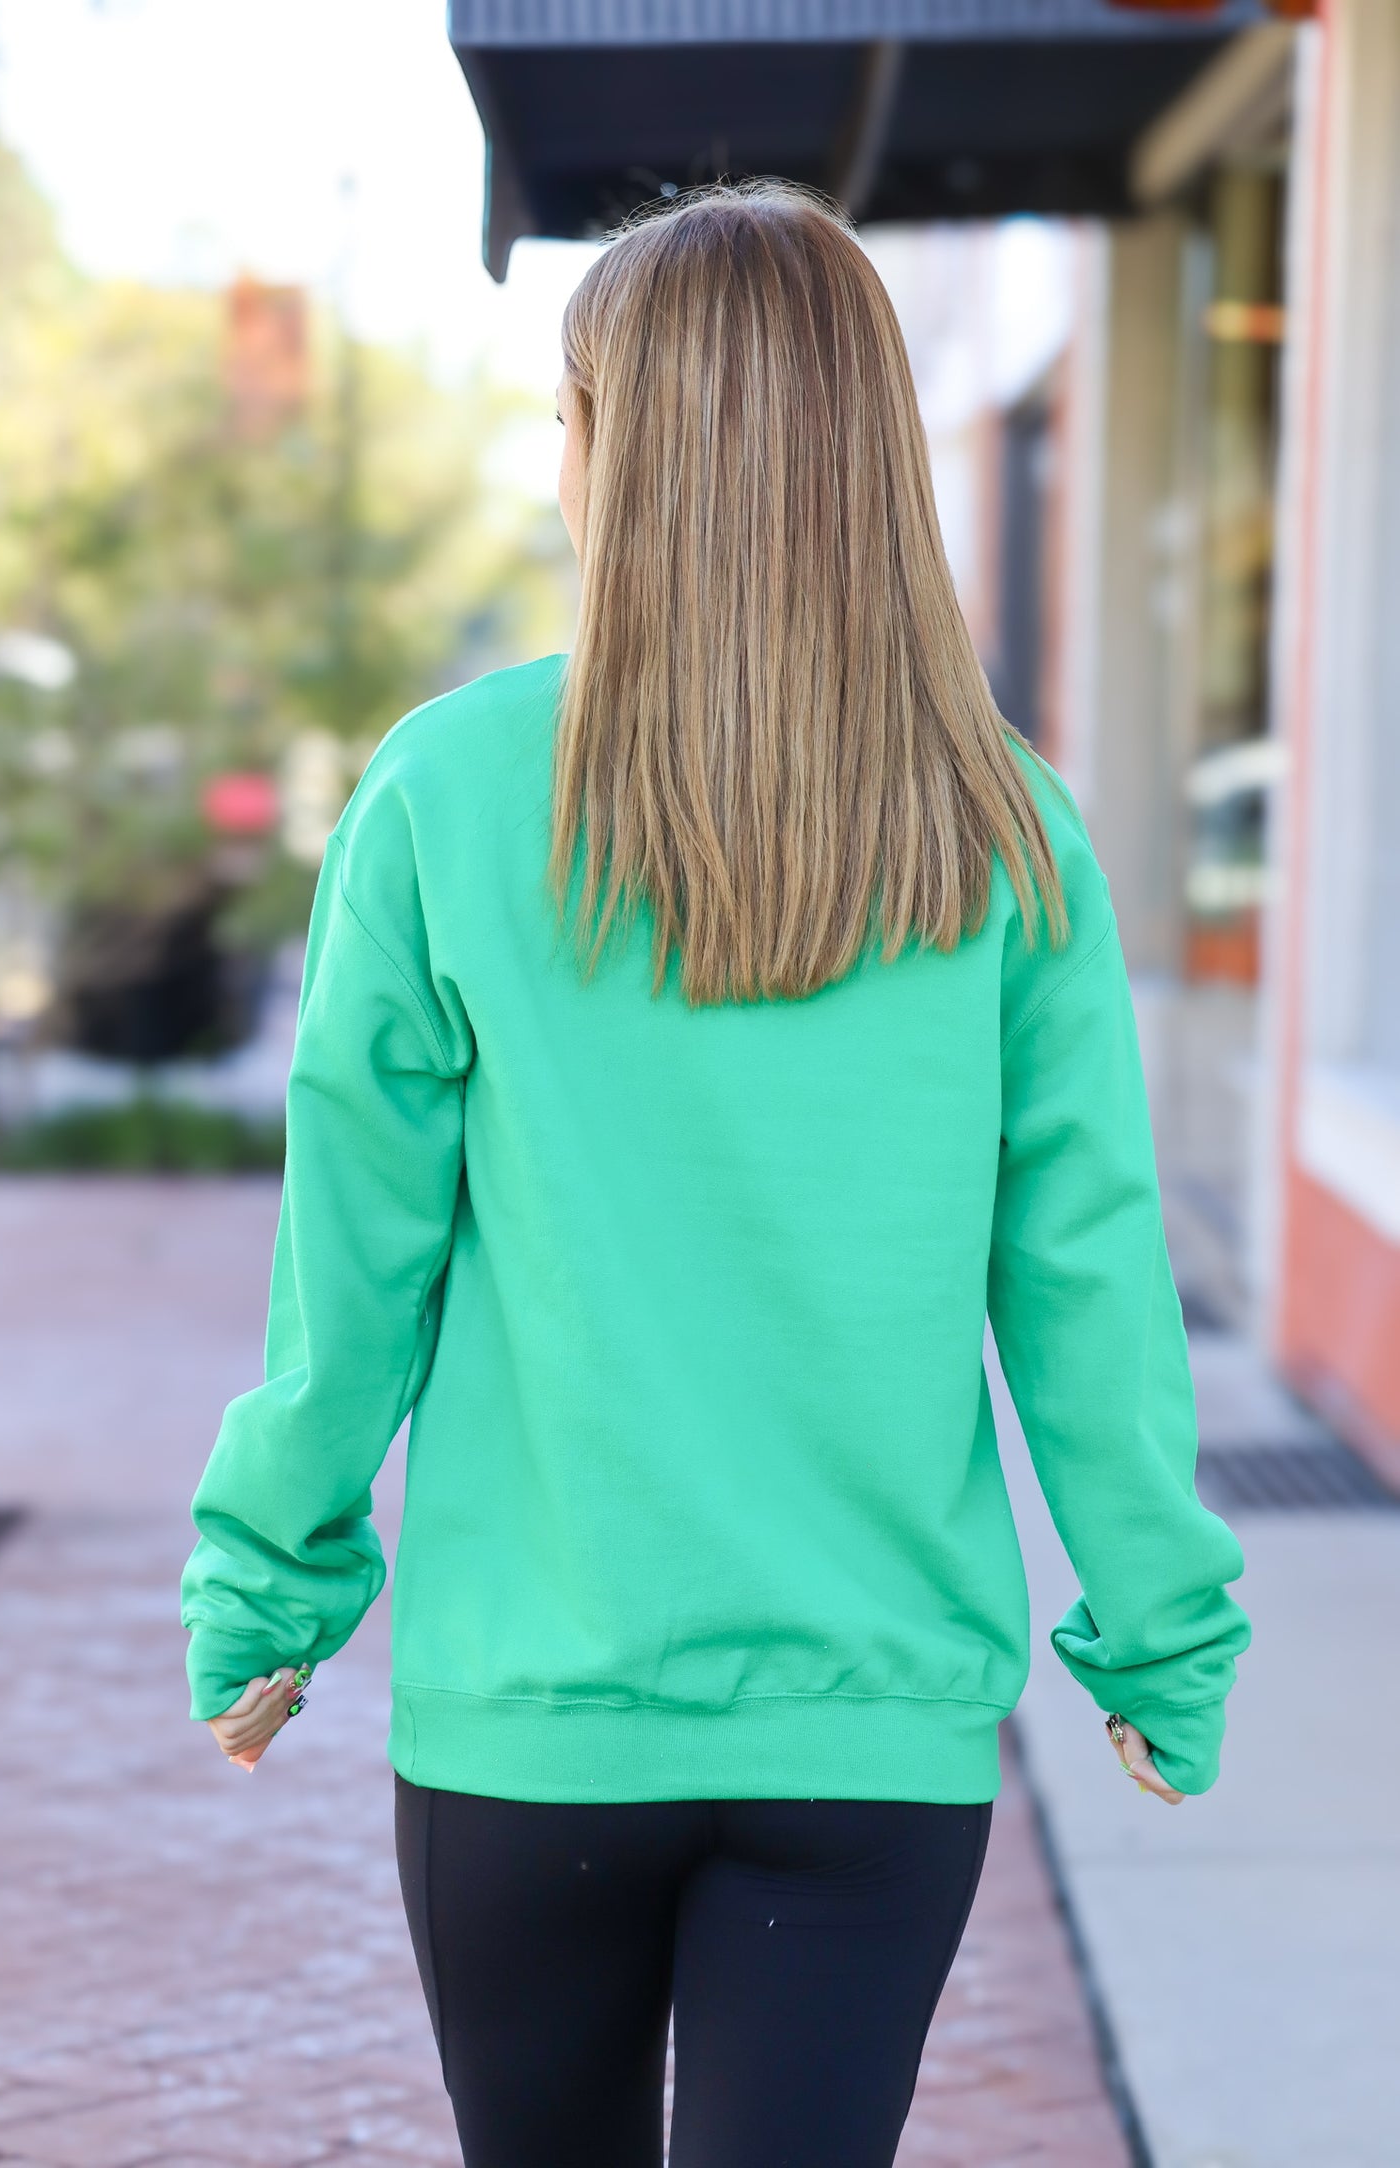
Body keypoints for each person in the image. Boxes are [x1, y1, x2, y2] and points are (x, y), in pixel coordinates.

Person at [182, 181, 1251, 2168]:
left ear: (612, 449)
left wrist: (273, 1577)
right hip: (873, 1737)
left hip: (533, 1724)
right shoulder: (1006, 824)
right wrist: (1160, 1627)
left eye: (564, 419)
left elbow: (354, 1275)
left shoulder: (443, 793)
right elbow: (1090, 1286)